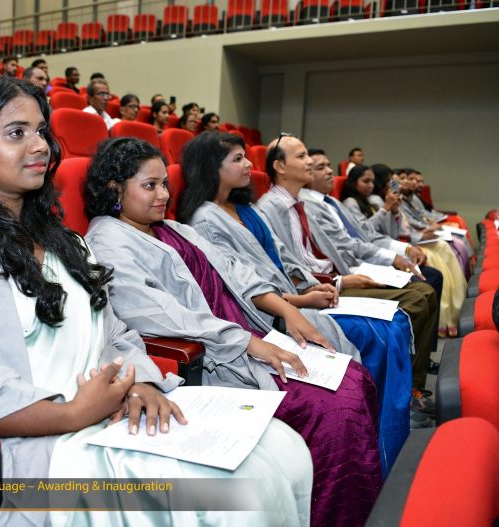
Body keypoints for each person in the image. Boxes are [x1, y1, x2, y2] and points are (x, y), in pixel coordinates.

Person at [0, 73, 314, 527]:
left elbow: (116, 333)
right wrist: (70, 413)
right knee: (234, 497)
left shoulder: (65, 240)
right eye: (16, 133)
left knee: (284, 450)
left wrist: (138, 383)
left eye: (41, 132)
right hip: (39, 441)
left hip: (111, 412)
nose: (40, 146)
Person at [84, 136, 382, 527]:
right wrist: (248, 343)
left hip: (249, 334)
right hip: (215, 360)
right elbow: (161, 315)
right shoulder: (107, 239)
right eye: (150, 185)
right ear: (115, 189)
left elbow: (236, 272)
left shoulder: (172, 228)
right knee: (334, 407)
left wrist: (288, 309)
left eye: (165, 184)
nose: (164, 195)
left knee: (352, 377)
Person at [177, 132, 414, 474]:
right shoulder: (204, 220)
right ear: (211, 168)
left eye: (246, 156)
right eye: (238, 159)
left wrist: (316, 288)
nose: (248, 164)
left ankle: (381, 440)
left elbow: (286, 258)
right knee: (372, 341)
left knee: (390, 326)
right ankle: (372, 449)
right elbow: (237, 287)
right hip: (268, 316)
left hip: (294, 300)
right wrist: (299, 300)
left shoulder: (245, 209)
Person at [256, 136, 439, 399]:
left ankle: (408, 387)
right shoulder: (268, 209)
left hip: (332, 279)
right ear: (280, 166)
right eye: (302, 157)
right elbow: (286, 267)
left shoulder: (299, 204)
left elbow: (338, 245)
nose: (309, 163)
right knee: (411, 303)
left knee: (421, 293)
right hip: (319, 289)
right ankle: (399, 392)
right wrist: (340, 281)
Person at [345, 164, 467, 338]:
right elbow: (366, 235)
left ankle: (447, 319)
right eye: (366, 181)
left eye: (372, 181)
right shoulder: (351, 203)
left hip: (388, 246)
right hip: (373, 254)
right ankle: (435, 328)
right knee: (431, 270)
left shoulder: (374, 200)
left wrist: (394, 213)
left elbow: (391, 233)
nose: (370, 185)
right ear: (353, 182)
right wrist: (387, 209)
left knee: (441, 256)